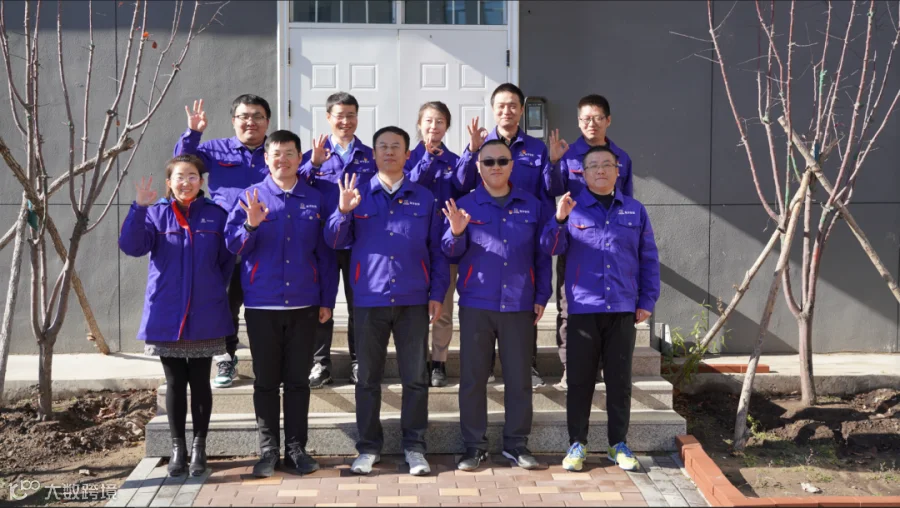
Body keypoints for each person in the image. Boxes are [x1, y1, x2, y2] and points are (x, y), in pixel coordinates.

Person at [325, 126, 449, 477]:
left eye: (396, 146)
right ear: (374, 154)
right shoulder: (357, 194)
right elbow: (335, 240)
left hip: (413, 299)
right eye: (383, 146)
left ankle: (414, 447)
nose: (390, 151)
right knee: (367, 379)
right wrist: (343, 211)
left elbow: (438, 251)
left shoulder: (425, 198)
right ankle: (368, 447)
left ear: (408, 154)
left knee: (415, 379)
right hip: (369, 299)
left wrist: (437, 294)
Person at [224, 130, 338, 478]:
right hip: (263, 305)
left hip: (305, 304)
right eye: (276, 153)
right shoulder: (250, 196)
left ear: (300, 158)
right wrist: (250, 225)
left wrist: (327, 299)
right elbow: (233, 247)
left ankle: (296, 449)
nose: (283, 160)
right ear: (266, 158)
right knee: (266, 382)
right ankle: (268, 450)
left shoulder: (315, 198)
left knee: (298, 382)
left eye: (290, 153)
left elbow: (326, 255)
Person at [540, 145, 659, 473]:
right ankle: (577, 443)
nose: (601, 170)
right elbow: (550, 247)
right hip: (583, 309)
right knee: (580, 381)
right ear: (584, 174)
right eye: (593, 166)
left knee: (619, 381)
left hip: (621, 307)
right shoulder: (572, 208)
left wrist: (647, 300)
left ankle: (617, 443)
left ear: (618, 171)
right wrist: (559, 219)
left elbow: (648, 257)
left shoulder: (634, 210)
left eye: (607, 164)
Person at [119, 154, 234, 477]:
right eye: (179, 177)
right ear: (169, 183)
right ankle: (177, 448)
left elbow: (225, 263)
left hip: (205, 311)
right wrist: (138, 208)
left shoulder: (215, 215)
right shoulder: (155, 214)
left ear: (201, 181)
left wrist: (210, 290)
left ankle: (199, 447)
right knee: (174, 382)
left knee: (200, 381)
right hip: (166, 312)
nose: (186, 182)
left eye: (192, 176)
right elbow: (131, 246)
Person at [442, 139, 553, 471]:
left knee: (519, 379)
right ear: (478, 167)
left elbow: (542, 256)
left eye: (502, 161)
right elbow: (449, 252)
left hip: (518, 303)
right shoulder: (464, 205)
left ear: (512, 165)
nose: (495, 167)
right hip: (477, 303)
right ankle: (474, 446)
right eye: (488, 162)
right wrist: (456, 233)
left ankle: (516, 444)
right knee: (473, 379)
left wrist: (541, 295)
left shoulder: (532, 205)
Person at [174, 95, 273, 389]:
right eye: (244, 116)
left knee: (264, 304)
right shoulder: (216, 150)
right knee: (225, 303)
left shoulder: (276, 150)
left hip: (267, 240)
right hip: (226, 241)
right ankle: (226, 357)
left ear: (267, 121)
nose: (251, 122)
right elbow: (183, 163)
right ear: (234, 121)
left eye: (257, 116)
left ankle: (268, 361)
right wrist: (193, 133)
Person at [479, 83, 568, 388]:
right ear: (494, 110)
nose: (507, 111)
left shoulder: (537, 148)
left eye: (513, 105)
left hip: (525, 231)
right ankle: (485, 365)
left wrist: (553, 163)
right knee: (487, 299)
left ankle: (527, 364)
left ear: (520, 110)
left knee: (525, 299)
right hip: (489, 234)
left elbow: (550, 190)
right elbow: (466, 186)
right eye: (501, 106)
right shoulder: (481, 145)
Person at [554, 95, 634, 389]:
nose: (592, 123)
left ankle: (599, 366)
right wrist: (553, 162)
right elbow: (551, 189)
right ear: (578, 122)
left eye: (598, 117)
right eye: (586, 118)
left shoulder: (621, 157)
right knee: (569, 306)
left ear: (608, 120)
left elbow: (627, 200)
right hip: (575, 241)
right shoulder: (568, 156)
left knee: (606, 305)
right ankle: (569, 367)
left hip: (610, 242)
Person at [300, 92, 378, 388]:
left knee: (360, 303)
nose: (346, 121)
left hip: (360, 241)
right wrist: (313, 165)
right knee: (322, 302)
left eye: (351, 115)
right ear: (328, 118)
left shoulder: (370, 155)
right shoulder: (314, 156)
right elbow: (295, 186)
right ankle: (320, 363)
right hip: (323, 241)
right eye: (339, 116)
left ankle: (360, 361)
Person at [404, 101, 484, 386]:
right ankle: (416, 361)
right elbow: (410, 185)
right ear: (419, 124)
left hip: (445, 244)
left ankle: (438, 362)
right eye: (428, 121)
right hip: (412, 244)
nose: (433, 126)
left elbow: (464, 184)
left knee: (443, 307)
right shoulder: (409, 157)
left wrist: (472, 151)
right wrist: (427, 157)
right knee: (413, 308)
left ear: (447, 126)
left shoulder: (455, 160)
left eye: (439, 121)